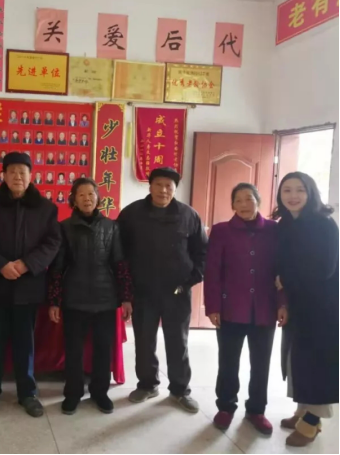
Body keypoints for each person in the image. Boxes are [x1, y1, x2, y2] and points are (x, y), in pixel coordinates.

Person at [0, 152, 62, 418]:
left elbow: (52, 243)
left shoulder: (45, 208)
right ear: (3, 175)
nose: (17, 176)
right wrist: (1, 265)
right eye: (12, 171)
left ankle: (28, 393)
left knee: (25, 343)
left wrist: (26, 264)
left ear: (31, 176)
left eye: (22, 172)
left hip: (28, 287)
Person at [117, 167, 207, 413]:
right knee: (144, 340)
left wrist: (190, 280)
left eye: (169, 186)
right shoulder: (132, 214)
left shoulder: (189, 215)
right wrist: (125, 290)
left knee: (178, 341)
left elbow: (202, 252)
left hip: (177, 292)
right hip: (143, 290)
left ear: (175, 189)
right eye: (158, 185)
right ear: (150, 186)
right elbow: (119, 252)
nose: (163, 190)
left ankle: (180, 390)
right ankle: (147, 384)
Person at [204, 183, 287, 435]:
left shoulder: (274, 230)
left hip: (264, 308)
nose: (244, 204)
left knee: (261, 363)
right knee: (228, 361)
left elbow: (282, 269)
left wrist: (282, 302)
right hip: (230, 308)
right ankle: (226, 406)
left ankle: (256, 410)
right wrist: (213, 306)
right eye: (238, 200)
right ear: (232, 205)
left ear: (258, 201)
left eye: (249, 199)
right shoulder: (221, 231)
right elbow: (212, 271)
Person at [48, 178, 133, 414]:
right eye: (82, 195)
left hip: (105, 298)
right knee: (73, 349)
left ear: (98, 198)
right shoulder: (64, 227)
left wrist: (126, 298)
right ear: (73, 200)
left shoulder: (111, 227)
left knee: (103, 348)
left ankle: (100, 392)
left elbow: (120, 264)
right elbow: (57, 267)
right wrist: (54, 301)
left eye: (91, 194)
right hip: (74, 298)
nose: (87, 199)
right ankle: (73, 393)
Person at [274, 172, 339, 447]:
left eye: (300, 190)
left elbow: (325, 269)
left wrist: (286, 281)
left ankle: (313, 420)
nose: (293, 196)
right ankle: (303, 409)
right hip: (298, 302)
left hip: (322, 306)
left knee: (317, 363)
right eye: (287, 190)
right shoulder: (287, 223)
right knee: (296, 358)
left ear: (310, 192)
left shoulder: (324, 224)